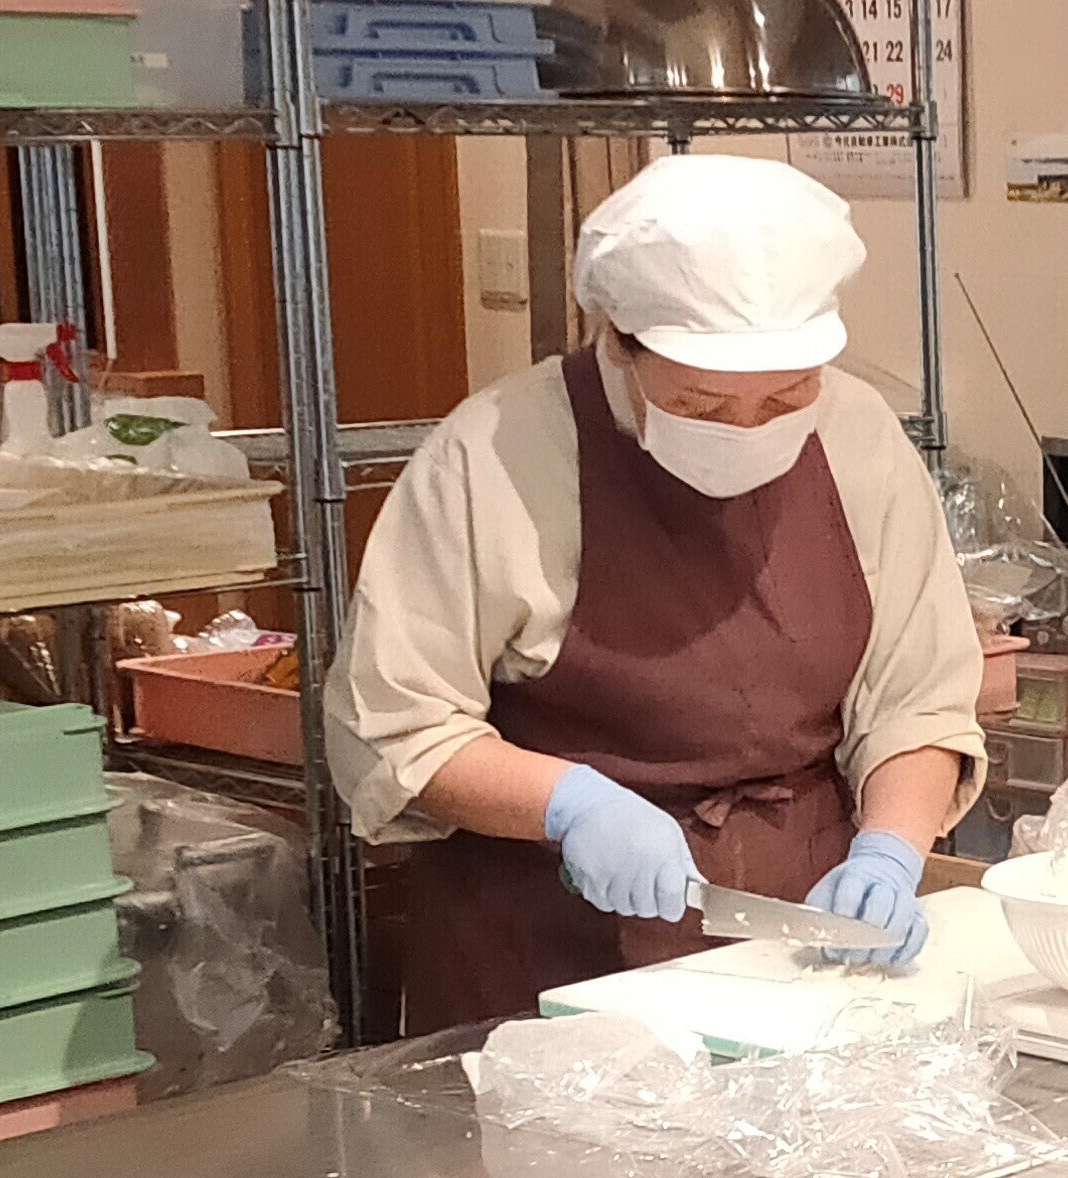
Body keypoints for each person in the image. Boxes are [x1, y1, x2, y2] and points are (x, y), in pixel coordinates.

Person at [326, 156, 983, 1031]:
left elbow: (918, 700)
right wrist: (571, 805)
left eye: (786, 397)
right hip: (544, 960)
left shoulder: (860, 439)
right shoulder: (492, 456)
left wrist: (891, 849)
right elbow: (396, 727)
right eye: (703, 405)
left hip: (795, 952)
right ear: (619, 342)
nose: (748, 428)